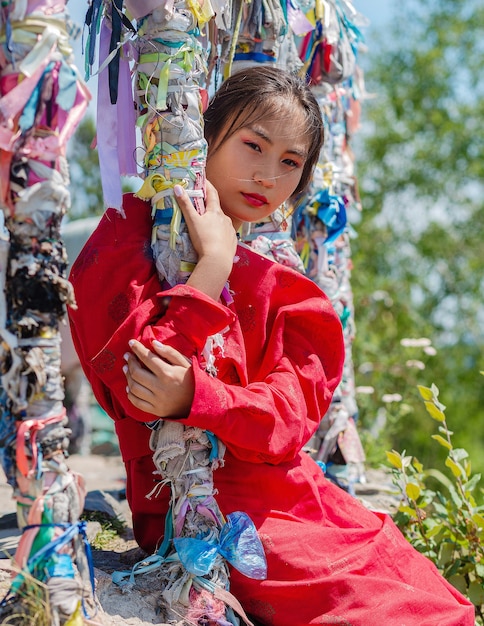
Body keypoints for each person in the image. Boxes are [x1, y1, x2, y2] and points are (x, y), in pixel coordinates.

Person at [68, 66, 474, 626]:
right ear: (204, 137)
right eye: (252, 146)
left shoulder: (284, 290)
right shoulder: (124, 240)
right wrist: (210, 268)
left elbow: (286, 421)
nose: (267, 176)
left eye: (290, 162)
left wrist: (202, 398)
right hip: (207, 515)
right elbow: (142, 391)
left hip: (299, 504)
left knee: (436, 606)